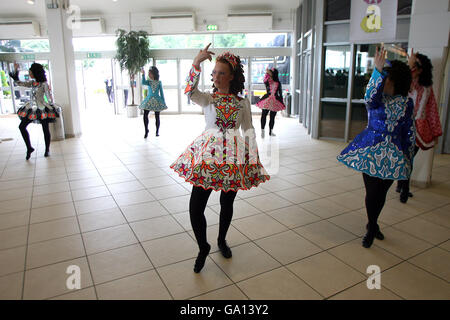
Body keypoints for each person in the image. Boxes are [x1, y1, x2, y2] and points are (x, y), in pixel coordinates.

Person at [170, 44, 270, 273]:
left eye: (221, 73)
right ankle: (203, 245)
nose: (215, 76)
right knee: (196, 207)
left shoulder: (242, 102)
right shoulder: (207, 98)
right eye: (214, 72)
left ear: (231, 77)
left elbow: (248, 130)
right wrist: (196, 63)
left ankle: (221, 240)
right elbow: (188, 91)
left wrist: (253, 158)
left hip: (234, 157)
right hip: (207, 156)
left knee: (227, 203)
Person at [337, 47, 415, 248]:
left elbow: (408, 130)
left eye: (387, 78)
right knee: (371, 193)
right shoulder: (376, 102)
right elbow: (370, 95)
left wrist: (408, 157)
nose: (384, 82)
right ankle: (372, 227)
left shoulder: (407, 103)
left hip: (394, 155)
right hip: (370, 151)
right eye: (383, 78)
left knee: (381, 194)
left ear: (397, 82)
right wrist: (377, 71)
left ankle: (372, 225)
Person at [396, 50, 443, 203]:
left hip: (417, 128)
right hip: (403, 126)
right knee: (405, 158)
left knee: (408, 159)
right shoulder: (406, 83)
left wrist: (432, 132)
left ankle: (403, 187)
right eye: (411, 65)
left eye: (415, 66)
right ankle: (402, 186)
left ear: (421, 69)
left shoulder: (426, 88)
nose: (412, 69)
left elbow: (427, 110)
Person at [9, 63, 60, 159]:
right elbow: (19, 83)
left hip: (42, 108)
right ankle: (29, 148)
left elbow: (49, 98)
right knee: (21, 127)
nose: (29, 73)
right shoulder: (32, 83)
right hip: (31, 108)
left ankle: (47, 150)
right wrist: (16, 71)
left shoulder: (44, 84)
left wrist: (52, 106)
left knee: (45, 129)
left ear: (35, 73)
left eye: (30, 72)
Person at [256, 67, 286, 138]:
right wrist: (267, 72)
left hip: (275, 100)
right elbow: (265, 77)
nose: (269, 73)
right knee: (264, 115)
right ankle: (262, 131)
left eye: (271, 72)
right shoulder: (267, 81)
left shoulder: (278, 83)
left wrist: (281, 101)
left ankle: (271, 131)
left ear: (273, 74)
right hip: (267, 99)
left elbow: (280, 93)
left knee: (272, 117)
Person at [139, 66, 167, 138]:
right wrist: (143, 74)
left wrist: (163, 102)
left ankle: (157, 131)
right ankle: (146, 130)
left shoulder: (159, 82)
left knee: (157, 116)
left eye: (150, 73)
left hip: (157, 100)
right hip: (148, 100)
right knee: (145, 115)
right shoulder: (148, 82)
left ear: (154, 74)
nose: (149, 75)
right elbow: (143, 82)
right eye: (148, 73)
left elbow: (161, 92)